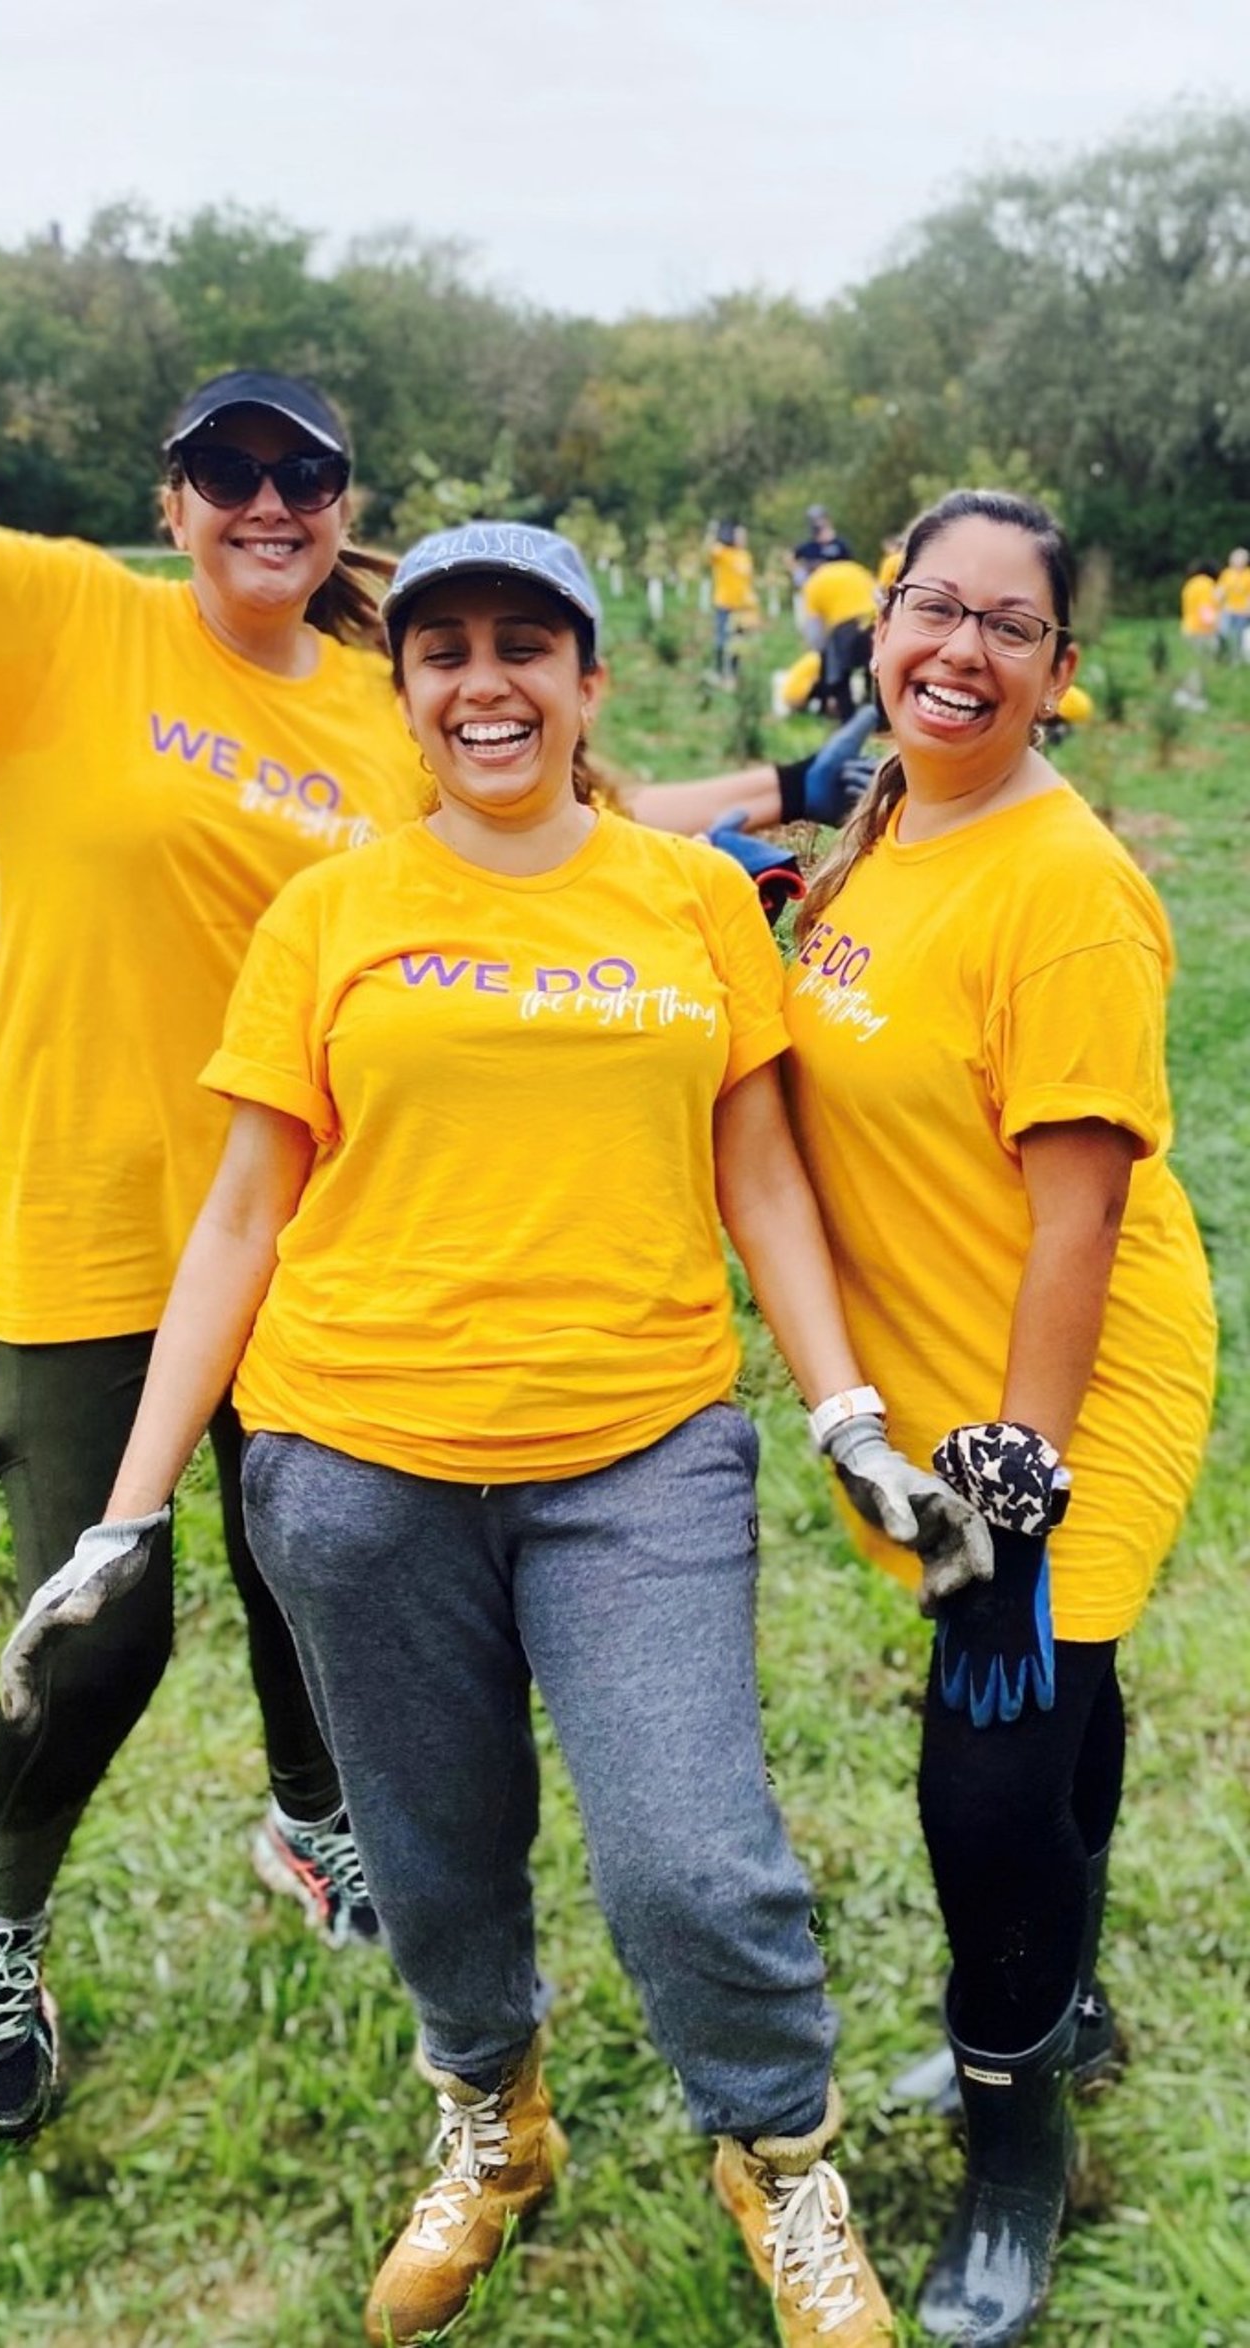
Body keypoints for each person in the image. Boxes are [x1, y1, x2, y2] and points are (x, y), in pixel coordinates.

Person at [0, 391, 880, 2145]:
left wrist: (786, 792)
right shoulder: (54, 609)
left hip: (340, 1243)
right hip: (103, 1233)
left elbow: (577, 823)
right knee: (98, 1633)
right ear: (174, 498)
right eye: (226, 470)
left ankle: (314, 1817)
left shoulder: (391, 711)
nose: (266, 500)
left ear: (341, 502)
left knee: (326, 1572)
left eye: (303, 473)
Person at [75, 520, 994, 2344]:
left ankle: (780, 2162)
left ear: (585, 682)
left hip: (635, 1452)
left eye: (523, 646)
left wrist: (847, 1412)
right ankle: (491, 2121)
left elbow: (763, 1174)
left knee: (691, 1855)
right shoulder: (329, 911)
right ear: (407, 693)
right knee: (430, 1843)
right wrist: (125, 1517)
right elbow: (245, 1214)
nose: (482, 682)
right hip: (354, 1462)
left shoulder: (687, 897)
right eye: (442, 654)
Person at [783, 489, 1216, 2347]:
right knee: (1064, 1710)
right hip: (957, 1368)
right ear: (880, 626)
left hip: (1065, 1385)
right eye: (930, 610)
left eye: (1009, 627)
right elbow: (754, 822)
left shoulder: (1067, 886)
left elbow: (1086, 1211)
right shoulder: (886, 808)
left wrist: (1010, 1467)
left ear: (1058, 670)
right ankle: (1077, 2003)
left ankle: (1014, 2136)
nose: (959, 650)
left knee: (986, 1773)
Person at [799, 555, 880, 722]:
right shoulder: (855, 568)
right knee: (875, 672)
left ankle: (848, 720)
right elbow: (878, 593)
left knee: (839, 676)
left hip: (845, 627)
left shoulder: (813, 583)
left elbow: (815, 631)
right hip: (875, 620)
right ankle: (881, 718)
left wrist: (821, 652)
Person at [706, 518, 758, 678]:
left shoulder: (746, 556)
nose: (743, 539)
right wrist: (712, 532)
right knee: (722, 639)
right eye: (739, 536)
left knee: (738, 643)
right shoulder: (723, 552)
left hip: (741, 606)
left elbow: (748, 581)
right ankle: (719, 671)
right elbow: (709, 550)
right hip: (725, 603)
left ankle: (734, 674)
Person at [1215, 545, 1250, 659]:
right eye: (1236, 559)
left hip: (1242, 610)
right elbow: (1221, 589)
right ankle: (1223, 654)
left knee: (1239, 635)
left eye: (1241, 559)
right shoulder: (1227, 573)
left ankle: (1237, 657)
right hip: (1228, 609)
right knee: (1223, 632)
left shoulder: (1248, 575)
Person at [1179, 558, 1220, 642]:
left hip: (1188, 626)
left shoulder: (1189, 584)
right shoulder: (1206, 584)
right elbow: (1205, 608)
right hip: (1202, 630)